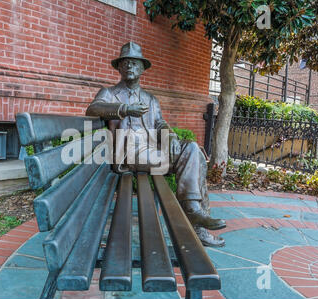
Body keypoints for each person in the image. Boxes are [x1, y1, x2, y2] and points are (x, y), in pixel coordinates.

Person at [86, 42, 226, 247]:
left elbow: (160, 122)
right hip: (128, 154)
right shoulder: (109, 93)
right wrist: (125, 109)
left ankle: (195, 215)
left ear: (143, 69)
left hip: (151, 151)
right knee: (194, 159)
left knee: (193, 151)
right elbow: (92, 109)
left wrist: (169, 135)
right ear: (119, 68)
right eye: (125, 63)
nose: (130, 67)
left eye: (134, 64)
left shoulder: (150, 99)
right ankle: (197, 223)